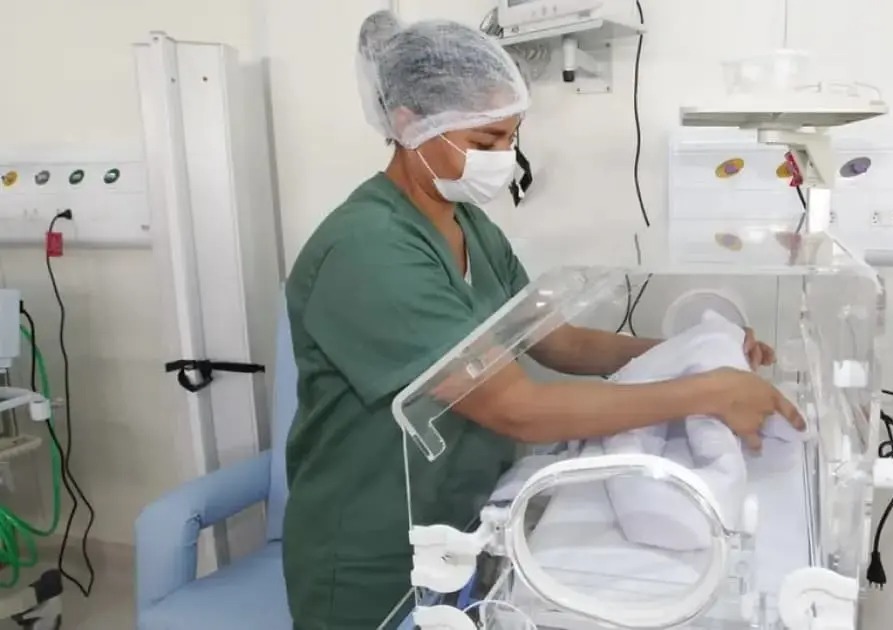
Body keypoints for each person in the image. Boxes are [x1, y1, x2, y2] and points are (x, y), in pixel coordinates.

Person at [281, 10, 804, 629]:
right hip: (376, 548)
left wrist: (696, 349)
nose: (504, 157)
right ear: (407, 124)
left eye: (511, 138)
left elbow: (559, 342)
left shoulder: (469, 226)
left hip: (466, 521)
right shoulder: (369, 250)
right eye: (485, 143)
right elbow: (515, 407)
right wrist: (707, 392)